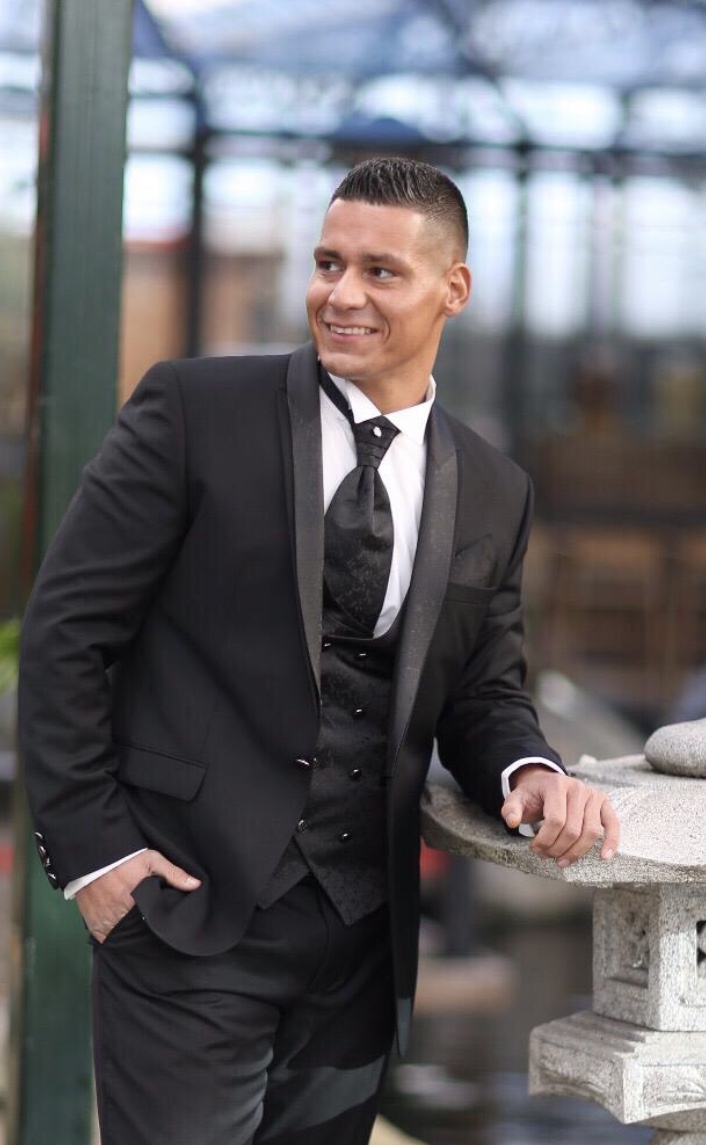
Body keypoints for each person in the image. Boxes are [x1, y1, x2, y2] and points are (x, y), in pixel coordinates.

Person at [18, 156, 619, 1145]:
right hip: (181, 910)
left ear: (453, 289)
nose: (341, 294)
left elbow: (481, 689)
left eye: (380, 271)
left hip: (359, 944)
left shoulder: (494, 487)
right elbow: (65, 633)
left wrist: (532, 768)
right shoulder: (194, 410)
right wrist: (97, 859)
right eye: (328, 263)